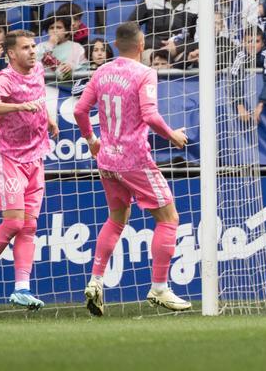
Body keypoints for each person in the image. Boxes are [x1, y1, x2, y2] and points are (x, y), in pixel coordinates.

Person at [74, 22, 191, 316]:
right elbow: (150, 115)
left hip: (107, 161)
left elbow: (79, 110)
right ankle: (159, 288)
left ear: (115, 45)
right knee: (168, 219)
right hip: (134, 160)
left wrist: (91, 140)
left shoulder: (102, 71)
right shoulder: (144, 73)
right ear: (141, 46)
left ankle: (96, 281)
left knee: (116, 219)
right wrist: (173, 135)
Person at [0, 30, 59, 309]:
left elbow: (40, 97)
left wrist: (49, 119)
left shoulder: (39, 70)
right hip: (9, 158)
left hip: (36, 157)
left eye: (33, 46)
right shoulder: (5, 79)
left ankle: (22, 288)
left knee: (30, 225)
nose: (33, 51)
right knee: (13, 223)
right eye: (25, 47)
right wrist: (18, 105)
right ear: (11, 53)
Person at [129, 0, 199, 52]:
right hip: (152, 49)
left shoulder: (197, 4)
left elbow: (198, 38)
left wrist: (178, 47)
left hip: (182, 52)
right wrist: (147, 42)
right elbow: (129, 26)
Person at [234, 31, 266, 124]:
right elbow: (234, 79)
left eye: (257, 41)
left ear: (262, 43)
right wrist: (240, 106)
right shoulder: (240, 55)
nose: (253, 45)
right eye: (249, 41)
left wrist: (260, 105)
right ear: (243, 42)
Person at [36, 15, 89, 81]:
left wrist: (72, 67)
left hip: (69, 86)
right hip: (47, 86)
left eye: (59, 27)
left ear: (67, 30)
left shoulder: (77, 47)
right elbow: (35, 63)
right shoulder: (40, 46)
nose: (55, 31)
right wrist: (50, 44)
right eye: (51, 28)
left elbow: (85, 67)